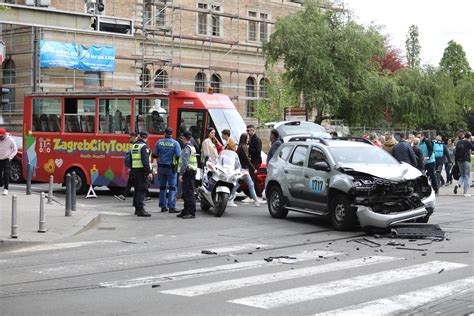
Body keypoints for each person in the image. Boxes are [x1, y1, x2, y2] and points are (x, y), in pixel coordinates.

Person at [153, 127, 181, 213]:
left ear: (164, 133)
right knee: (172, 188)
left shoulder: (159, 142)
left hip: (161, 168)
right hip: (171, 169)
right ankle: (171, 207)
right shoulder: (175, 143)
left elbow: (155, 155)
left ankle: (163, 206)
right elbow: (178, 156)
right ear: (171, 134)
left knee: (162, 187)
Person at [233, 133, 264, 206]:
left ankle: (256, 200)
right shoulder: (243, 147)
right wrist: (253, 169)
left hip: (243, 169)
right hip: (243, 169)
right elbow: (247, 160)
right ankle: (256, 200)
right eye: (247, 138)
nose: (248, 140)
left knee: (238, 185)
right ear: (244, 139)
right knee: (245, 184)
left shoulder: (242, 146)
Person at [177, 131, 198, 219]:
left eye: (182, 138)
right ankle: (186, 210)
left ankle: (191, 212)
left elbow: (184, 162)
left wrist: (181, 174)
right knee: (186, 193)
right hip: (190, 172)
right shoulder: (191, 147)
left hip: (187, 173)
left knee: (189, 193)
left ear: (184, 138)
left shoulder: (186, 148)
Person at [130, 131, 152, 217]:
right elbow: (145, 162)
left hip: (135, 170)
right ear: (146, 137)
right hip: (142, 171)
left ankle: (136, 209)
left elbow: (131, 160)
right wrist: (149, 172)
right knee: (142, 190)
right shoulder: (144, 146)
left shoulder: (134, 146)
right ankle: (140, 209)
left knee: (137, 190)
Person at [115, 132, 138, 201]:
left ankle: (144, 197)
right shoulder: (135, 144)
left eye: (130, 138)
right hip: (134, 168)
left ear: (134, 137)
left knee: (134, 183)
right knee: (131, 183)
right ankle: (124, 196)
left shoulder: (137, 145)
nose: (129, 139)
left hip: (136, 169)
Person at [453, 131, 472, 196]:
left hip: (459, 161)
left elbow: (455, 152)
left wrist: (456, 162)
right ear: (469, 137)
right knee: (467, 176)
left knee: (462, 175)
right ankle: (465, 192)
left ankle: (457, 185)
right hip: (466, 160)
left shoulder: (459, 142)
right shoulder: (468, 142)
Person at [0, 128, 18, 196]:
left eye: (1, 137)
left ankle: (6, 189)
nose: (0, 138)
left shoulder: (10, 140)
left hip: (7, 159)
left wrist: (10, 157)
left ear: (4, 135)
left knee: (6, 173)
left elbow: (15, 149)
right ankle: (1, 183)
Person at [246, 124, 263, 198]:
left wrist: (248, 149)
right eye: (247, 130)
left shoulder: (257, 139)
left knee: (252, 178)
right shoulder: (251, 139)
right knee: (254, 179)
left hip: (256, 161)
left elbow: (258, 151)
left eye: (248, 130)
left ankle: (251, 196)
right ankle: (259, 195)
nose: (247, 132)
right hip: (252, 161)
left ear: (253, 130)